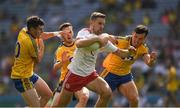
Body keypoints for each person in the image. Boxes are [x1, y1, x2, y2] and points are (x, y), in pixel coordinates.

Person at [55, 12, 135, 107]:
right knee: (60, 105)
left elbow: (120, 52)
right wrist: (97, 39)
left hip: (90, 75)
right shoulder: (84, 32)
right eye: (99, 23)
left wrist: (129, 51)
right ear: (92, 23)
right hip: (75, 74)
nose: (102, 26)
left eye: (103, 24)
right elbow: (79, 44)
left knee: (107, 92)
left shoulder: (103, 41)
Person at [11, 16, 63, 107]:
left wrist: (57, 33)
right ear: (32, 29)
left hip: (28, 73)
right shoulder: (30, 43)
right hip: (22, 77)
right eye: (40, 29)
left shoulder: (24, 30)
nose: (41, 32)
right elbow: (38, 60)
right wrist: (42, 46)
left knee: (48, 95)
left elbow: (41, 35)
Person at [100, 24, 158, 107]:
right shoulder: (122, 40)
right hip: (110, 73)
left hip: (125, 75)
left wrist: (152, 60)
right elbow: (109, 37)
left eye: (140, 39)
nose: (136, 40)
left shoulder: (142, 48)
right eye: (135, 37)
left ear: (144, 39)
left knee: (134, 99)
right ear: (132, 33)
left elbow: (149, 63)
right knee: (104, 100)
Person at [50, 22, 89, 107]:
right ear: (61, 36)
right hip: (65, 81)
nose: (68, 35)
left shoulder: (80, 44)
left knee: (84, 97)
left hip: (78, 78)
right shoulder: (60, 50)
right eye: (65, 33)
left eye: (70, 32)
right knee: (54, 106)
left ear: (73, 32)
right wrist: (63, 62)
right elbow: (55, 68)